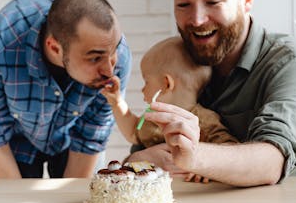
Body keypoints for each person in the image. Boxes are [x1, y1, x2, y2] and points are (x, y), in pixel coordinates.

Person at [127, 0, 296, 187]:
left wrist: (195, 155)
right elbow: (144, 143)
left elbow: (272, 161)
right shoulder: (177, 61)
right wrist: (140, 158)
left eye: (212, 1)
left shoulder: (288, 62)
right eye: (183, 4)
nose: (197, 20)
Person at [0, 0, 131, 179]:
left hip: (73, 135)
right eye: (95, 59)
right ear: (54, 47)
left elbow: (91, 136)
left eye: (113, 53)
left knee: (79, 202)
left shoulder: (113, 52)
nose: (109, 71)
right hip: (17, 138)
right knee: (14, 201)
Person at [101, 36, 237, 182]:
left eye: (146, 81)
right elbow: (133, 132)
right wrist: (117, 102)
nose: (142, 89)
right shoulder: (154, 118)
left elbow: (231, 150)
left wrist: (207, 167)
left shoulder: (204, 120)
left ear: (166, 84)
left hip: (192, 192)